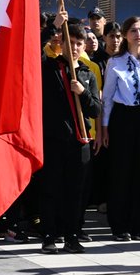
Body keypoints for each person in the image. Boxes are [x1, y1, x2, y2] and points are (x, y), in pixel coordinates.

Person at [99, 16, 140, 242]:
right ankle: (120, 225)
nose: (138, 35)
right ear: (126, 35)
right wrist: (105, 127)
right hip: (123, 117)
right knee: (121, 172)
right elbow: (107, 97)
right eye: (134, 31)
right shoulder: (115, 63)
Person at [39, 17, 99, 254]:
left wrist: (83, 93)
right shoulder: (50, 68)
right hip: (54, 140)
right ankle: (49, 235)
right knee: (51, 188)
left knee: (76, 192)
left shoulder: (87, 74)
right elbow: (33, 54)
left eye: (78, 43)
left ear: (84, 47)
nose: (74, 47)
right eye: (70, 42)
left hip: (80, 141)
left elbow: (96, 109)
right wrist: (52, 28)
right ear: (60, 43)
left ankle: (72, 235)